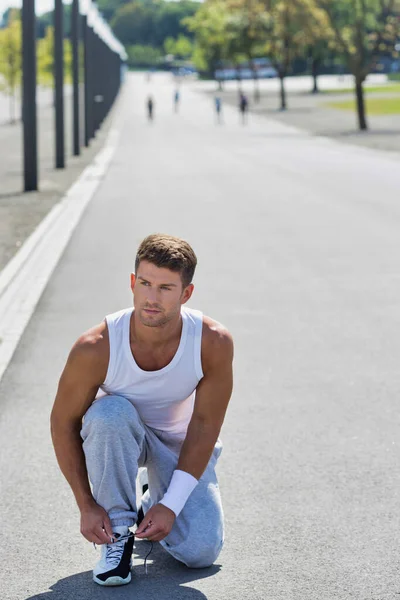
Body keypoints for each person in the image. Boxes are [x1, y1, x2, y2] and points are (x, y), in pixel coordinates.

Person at [50, 233, 234, 587]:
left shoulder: (212, 341)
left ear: (186, 294)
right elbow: (62, 424)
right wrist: (86, 504)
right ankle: (119, 533)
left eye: (166, 288)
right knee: (110, 413)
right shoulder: (96, 347)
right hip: (119, 438)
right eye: (145, 283)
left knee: (200, 553)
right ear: (133, 283)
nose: (152, 297)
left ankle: (153, 499)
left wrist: (171, 504)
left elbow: (205, 425)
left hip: (178, 443)